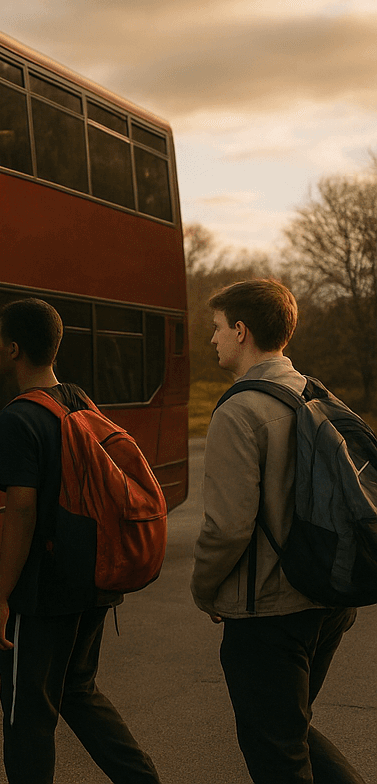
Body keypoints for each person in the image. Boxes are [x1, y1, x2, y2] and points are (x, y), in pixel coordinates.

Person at [192, 279, 367, 784]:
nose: (213, 340)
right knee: (291, 732)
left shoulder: (239, 410)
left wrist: (206, 592)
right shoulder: (316, 392)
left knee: (279, 757)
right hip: (332, 601)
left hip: (270, 613)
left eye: (218, 329)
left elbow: (226, 529)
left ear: (241, 330)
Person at [0, 298, 161, 784]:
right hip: (93, 574)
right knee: (78, 690)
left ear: (14, 349)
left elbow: (21, 510)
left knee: (27, 716)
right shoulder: (79, 399)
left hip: (43, 592)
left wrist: (1, 597)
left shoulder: (17, 418)